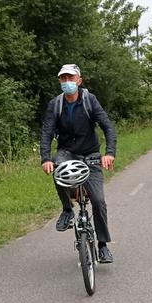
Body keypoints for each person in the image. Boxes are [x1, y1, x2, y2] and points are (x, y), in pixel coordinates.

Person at [40, 64, 117, 263]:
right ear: (59, 81)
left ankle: (102, 245)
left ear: (79, 80)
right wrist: (46, 158)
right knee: (58, 167)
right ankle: (67, 210)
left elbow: (107, 126)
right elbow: (47, 132)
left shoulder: (89, 100)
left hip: (91, 154)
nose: (67, 82)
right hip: (67, 153)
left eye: (71, 78)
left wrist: (109, 153)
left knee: (98, 201)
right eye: (63, 79)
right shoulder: (55, 104)